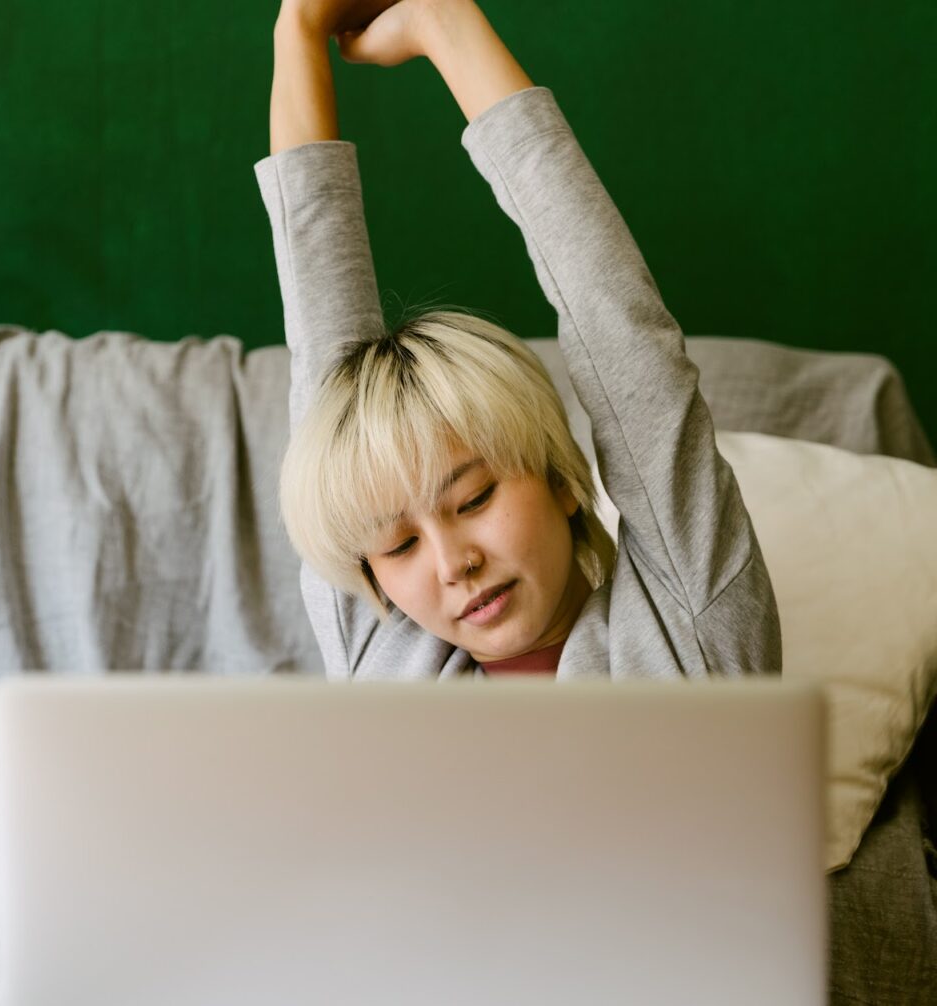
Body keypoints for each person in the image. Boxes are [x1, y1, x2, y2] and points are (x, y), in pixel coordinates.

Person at [255, 0, 782, 680]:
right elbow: (321, 339)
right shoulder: (383, 660)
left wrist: (445, 22)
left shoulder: (689, 632)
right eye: (400, 543)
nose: (453, 564)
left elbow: (620, 325)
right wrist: (296, 28)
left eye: (474, 499)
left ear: (562, 481)